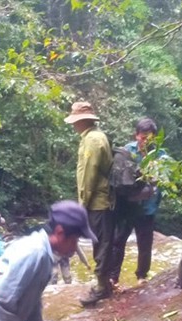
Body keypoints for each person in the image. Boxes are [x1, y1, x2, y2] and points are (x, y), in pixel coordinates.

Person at [64, 101, 114, 306]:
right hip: (100, 201)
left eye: (75, 121)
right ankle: (105, 282)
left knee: (101, 244)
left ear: (82, 121)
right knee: (100, 242)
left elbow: (89, 175)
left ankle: (102, 287)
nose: (73, 125)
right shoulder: (94, 136)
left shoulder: (92, 140)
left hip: (98, 202)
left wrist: (82, 205)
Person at [109, 117, 166, 285]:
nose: (145, 141)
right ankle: (113, 277)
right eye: (142, 137)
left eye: (149, 138)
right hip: (127, 205)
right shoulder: (127, 151)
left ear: (154, 137)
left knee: (144, 243)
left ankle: (142, 276)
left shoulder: (160, 156)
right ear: (136, 136)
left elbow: (162, 182)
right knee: (118, 241)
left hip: (147, 206)